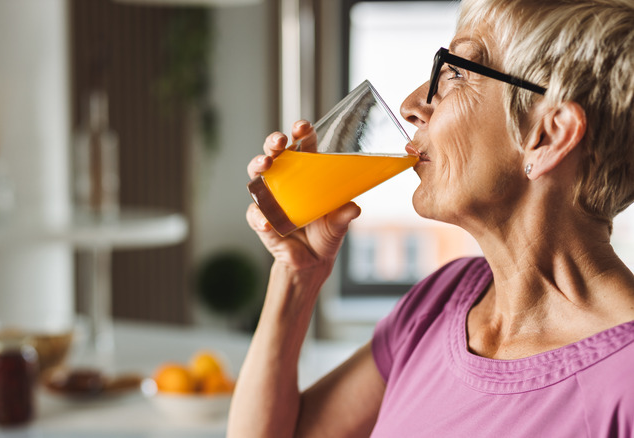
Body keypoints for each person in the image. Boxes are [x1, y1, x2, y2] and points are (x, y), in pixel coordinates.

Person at [228, 0, 634, 436]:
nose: (410, 105)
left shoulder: (624, 385)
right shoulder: (444, 299)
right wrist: (297, 275)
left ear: (548, 135)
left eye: (456, 72)